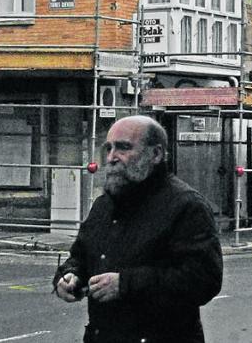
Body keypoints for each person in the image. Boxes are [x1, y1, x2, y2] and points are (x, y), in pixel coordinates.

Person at [53, 115, 223, 342]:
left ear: (156, 154)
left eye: (123, 148)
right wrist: (69, 277)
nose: (112, 157)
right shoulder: (104, 205)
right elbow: (81, 256)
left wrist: (125, 284)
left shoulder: (186, 206)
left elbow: (203, 280)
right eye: (109, 148)